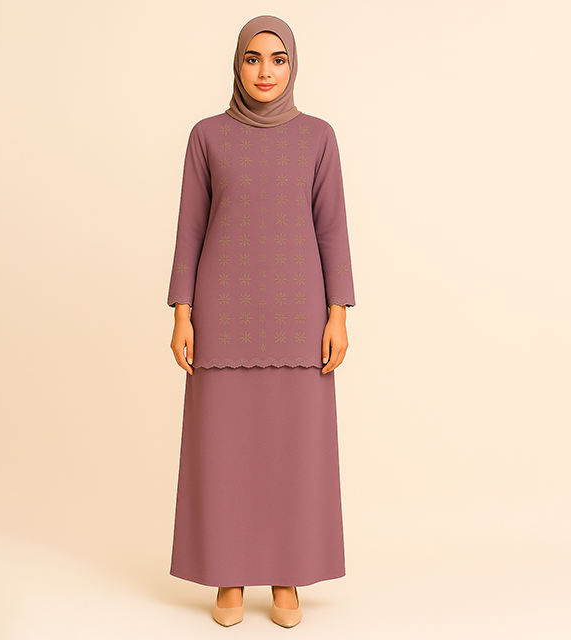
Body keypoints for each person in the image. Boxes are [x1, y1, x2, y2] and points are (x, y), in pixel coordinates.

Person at [166, 14, 356, 628]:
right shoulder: (207, 137)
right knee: (223, 454)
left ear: (292, 66)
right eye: (253, 58)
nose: (265, 71)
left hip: (299, 321)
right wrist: (182, 312)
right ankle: (228, 576)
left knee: (293, 457)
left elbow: (332, 229)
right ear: (237, 64)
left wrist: (338, 314)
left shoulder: (318, 138)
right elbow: (190, 227)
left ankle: (286, 577)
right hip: (221, 319)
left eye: (278, 59)